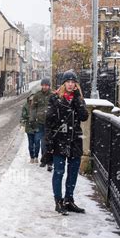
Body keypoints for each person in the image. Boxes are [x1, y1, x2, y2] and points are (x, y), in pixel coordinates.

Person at [44, 70, 89, 215]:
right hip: (59, 141)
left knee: (73, 171)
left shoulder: (79, 99)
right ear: (64, 83)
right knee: (59, 172)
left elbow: (84, 117)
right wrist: (49, 142)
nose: (70, 84)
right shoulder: (55, 99)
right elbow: (49, 122)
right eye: (68, 82)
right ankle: (58, 201)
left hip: (75, 140)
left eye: (73, 82)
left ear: (76, 84)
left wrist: (77, 100)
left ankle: (69, 200)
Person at [31, 78, 54, 171]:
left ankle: (49, 162)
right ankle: (44, 160)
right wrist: (32, 119)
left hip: (51, 123)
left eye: (46, 85)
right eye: (43, 85)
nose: (45, 87)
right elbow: (33, 108)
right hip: (40, 122)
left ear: (49, 86)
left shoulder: (53, 95)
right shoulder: (37, 95)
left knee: (50, 143)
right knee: (43, 142)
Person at [21, 93, 40, 163]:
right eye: (31, 99)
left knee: (37, 143)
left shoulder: (39, 106)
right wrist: (23, 124)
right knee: (31, 144)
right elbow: (23, 116)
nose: (32, 101)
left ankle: (36, 156)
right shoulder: (26, 106)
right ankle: (32, 157)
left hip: (38, 127)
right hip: (29, 128)